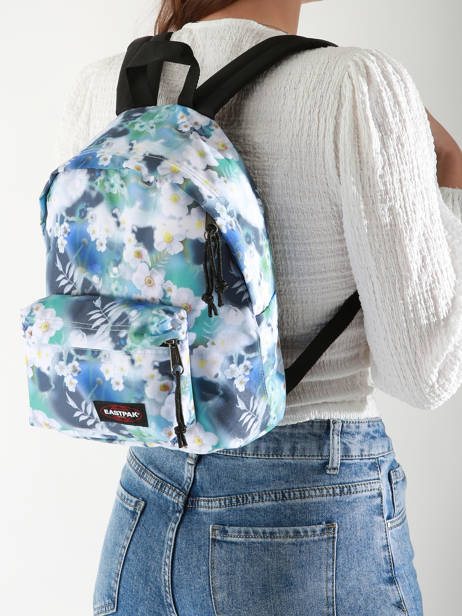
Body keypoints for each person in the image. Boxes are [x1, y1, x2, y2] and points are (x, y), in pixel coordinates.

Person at [57, 1, 462, 614]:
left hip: (143, 508)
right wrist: (451, 177)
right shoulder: (355, 86)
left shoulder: (102, 86)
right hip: (307, 523)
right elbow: (425, 374)